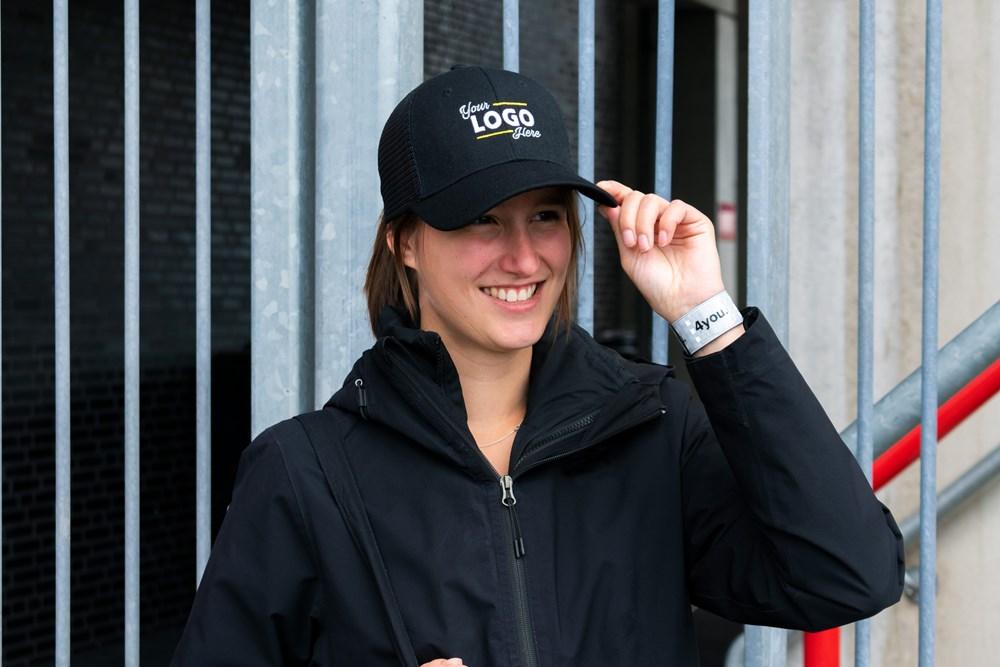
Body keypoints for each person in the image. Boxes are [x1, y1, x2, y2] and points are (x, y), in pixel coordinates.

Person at [172, 66, 904, 666]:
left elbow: (849, 574)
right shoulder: (307, 475)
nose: (523, 259)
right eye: (481, 220)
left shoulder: (651, 430)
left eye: (545, 216)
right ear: (405, 242)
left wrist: (707, 317)